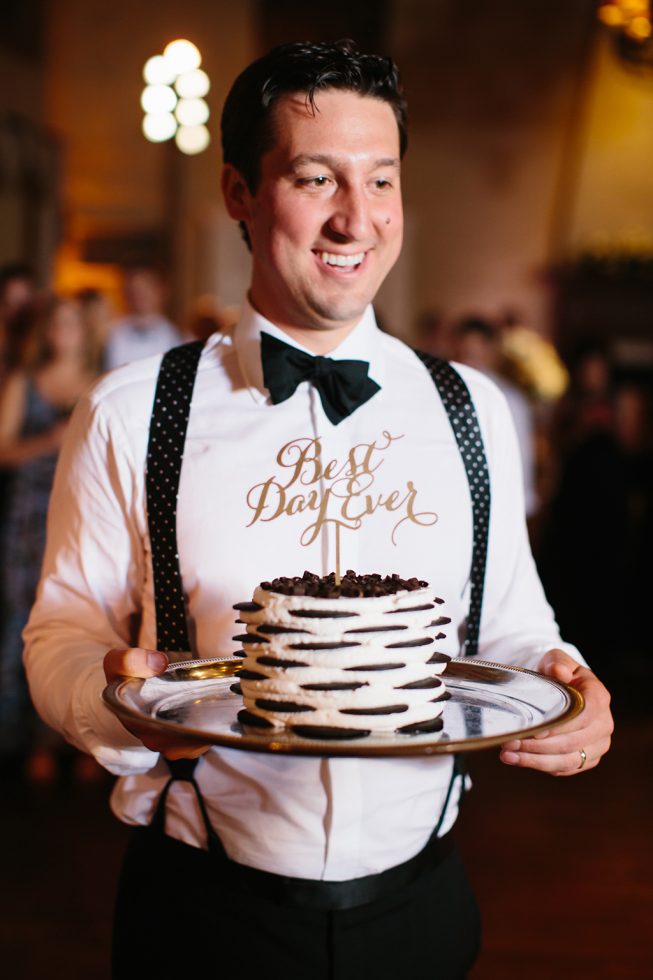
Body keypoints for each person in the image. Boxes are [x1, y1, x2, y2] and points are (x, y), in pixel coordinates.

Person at [23, 40, 613, 979]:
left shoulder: (473, 407)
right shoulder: (133, 409)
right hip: (204, 911)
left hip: (422, 908)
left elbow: (510, 623)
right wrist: (110, 695)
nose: (357, 218)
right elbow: (59, 629)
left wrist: (567, 686)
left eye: (382, 180)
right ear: (238, 194)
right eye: (315, 178)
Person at [0, 296, 99, 776]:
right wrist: (51, 439)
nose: (63, 331)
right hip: (28, 513)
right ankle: (21, 744)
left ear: (85, 331)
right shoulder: (25, 382)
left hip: (81, 511)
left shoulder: (100, 384)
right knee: (22, 621)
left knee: (82, 618)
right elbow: (4, 451)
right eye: (55, 322)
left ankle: (79, 742)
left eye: (71, 322)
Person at [451, 315, 539, 517]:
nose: (467, 361)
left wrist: (522, 505)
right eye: (462, 353)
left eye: (473, 354)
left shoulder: (507, 398)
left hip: (497, 503)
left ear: (488, 352)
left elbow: (522, 455)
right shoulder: (443, 392)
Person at [103, 262, 181, 370]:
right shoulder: (113, 334)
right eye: (135, 289)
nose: (140, 295)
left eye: (146, 287)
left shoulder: (175, 337)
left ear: (161, 291)